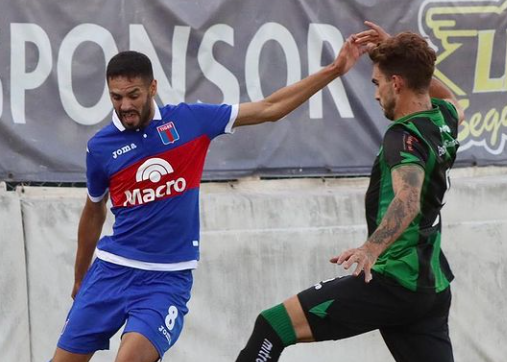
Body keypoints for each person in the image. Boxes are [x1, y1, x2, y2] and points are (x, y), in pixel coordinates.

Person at [51, 33, 369, 362]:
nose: (125, 105)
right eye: (116, 97)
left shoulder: (190, 120)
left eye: (133, 95)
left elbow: (270, 108)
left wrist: (335, 68)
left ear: (153, 88)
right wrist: (79, 279)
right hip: (110, 273)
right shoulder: (101, 146)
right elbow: (94, 210)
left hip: (165, 280)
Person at [235, 21, 465, 362]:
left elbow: (408, 198)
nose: (376, 93)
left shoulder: (402, 137)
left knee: (274, 325)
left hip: (394, 281)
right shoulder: (443, 118)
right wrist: (409, 62)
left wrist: (371, 249)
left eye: (378, 83)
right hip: (431, 288)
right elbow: (451, 98)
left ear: (396, 84)